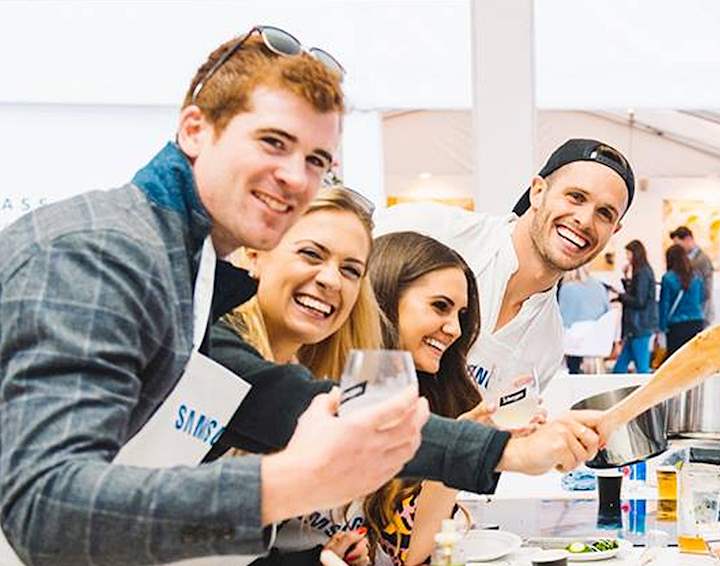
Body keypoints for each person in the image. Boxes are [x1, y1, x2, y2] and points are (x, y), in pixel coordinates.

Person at [0, 27, 431, 564]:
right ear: (194, 130)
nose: (296, 177)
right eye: (273, 142)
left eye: (317, 160)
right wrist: (294, 480)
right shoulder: (103, 251)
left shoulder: (188, 261)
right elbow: (46, 508)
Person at [375, 139, 636, 397]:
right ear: (538, 192)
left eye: (605, 214)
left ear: (615, 230)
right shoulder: (436, 230)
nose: (585, 220)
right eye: (576, 197)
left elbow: (493, 421)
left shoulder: (548, 344)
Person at [216, 185, 383, 566]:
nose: (331, 280)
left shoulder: (296, 371)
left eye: (350, 270)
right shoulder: (215, 347)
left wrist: (318, 558)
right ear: (255, 255)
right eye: (311, 254)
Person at [366, 231, 494, 566]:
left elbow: (413, 551)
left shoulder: (422, 395)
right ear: (384, 297)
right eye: (440, 306)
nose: (455, 329)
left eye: (461, 315)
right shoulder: (348, 390)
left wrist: (457, 451)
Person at [613, 240, 657, 373]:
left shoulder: (642, 272)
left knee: (642, 368)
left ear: (635, 254)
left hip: (639, 327)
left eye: (628, 254)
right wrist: (626, 278)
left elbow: (639, 301)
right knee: (620, 368)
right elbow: (636, 293)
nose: (627, 257)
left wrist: (621, 297)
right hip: (636, 328)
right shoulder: (642, 271)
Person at [558, 266, 611, 373]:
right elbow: (607, 311)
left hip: (575, 342)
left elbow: (563, 319)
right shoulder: (599, 286)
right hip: (597, 339)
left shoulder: (567, 288)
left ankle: (573, 374)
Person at [660, 244, 707, 356]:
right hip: (696, 323)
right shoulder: (696, 277)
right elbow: (702, 297)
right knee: (694, 358)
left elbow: (664, 305)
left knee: (677, 360)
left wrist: (662, 327)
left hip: (677, 326)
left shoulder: (668, 278)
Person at [669, 225, 715, 323]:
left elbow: (706, 290)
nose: (677, 249)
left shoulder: (702, 260)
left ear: (688, 239)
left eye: (678, 245)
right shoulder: (687, 259)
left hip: (700, 313)